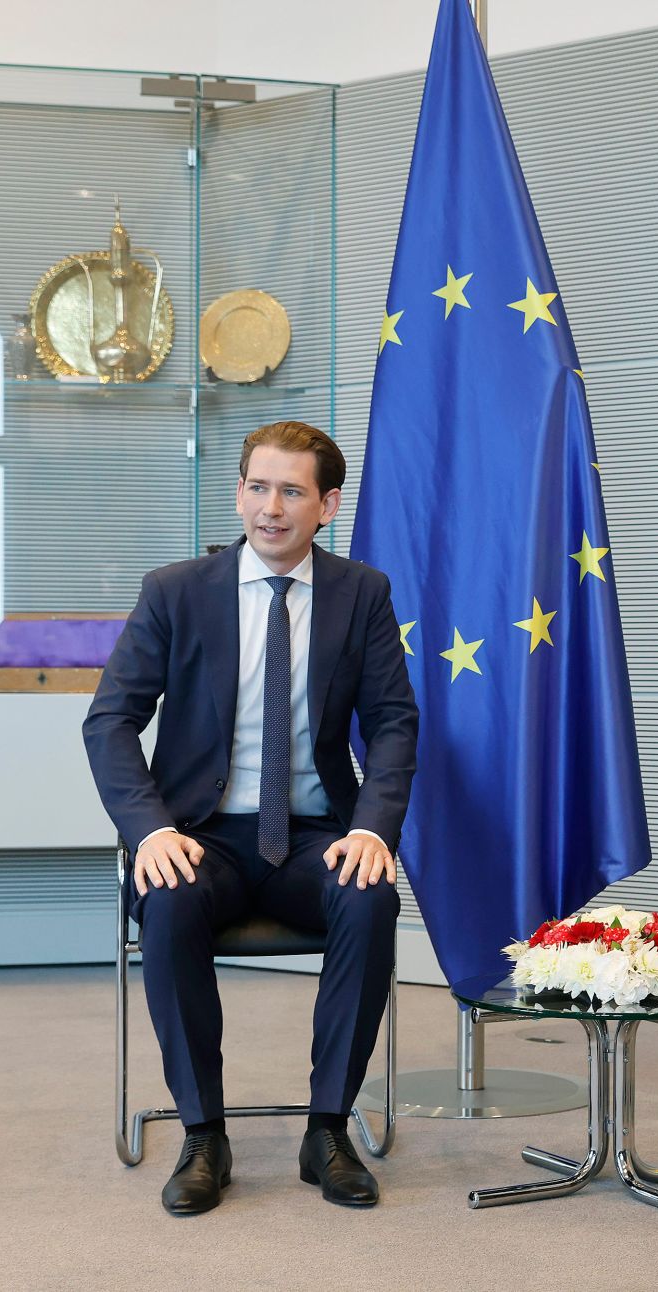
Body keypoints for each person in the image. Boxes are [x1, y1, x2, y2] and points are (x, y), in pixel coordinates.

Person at [83, 420, 417, 1217]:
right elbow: (110, 721)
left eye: (292, 491)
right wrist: (149, 830)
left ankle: (326, 1130)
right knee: (165, 903)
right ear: (239, 492)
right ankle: (204, 1135)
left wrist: (371, 829)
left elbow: (395, 722)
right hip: (201, 838)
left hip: (314, 838)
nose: (271, 508)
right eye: (257, 487)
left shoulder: (361, 593)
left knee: (370, 900)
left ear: (327, 505)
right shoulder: (175, 592)